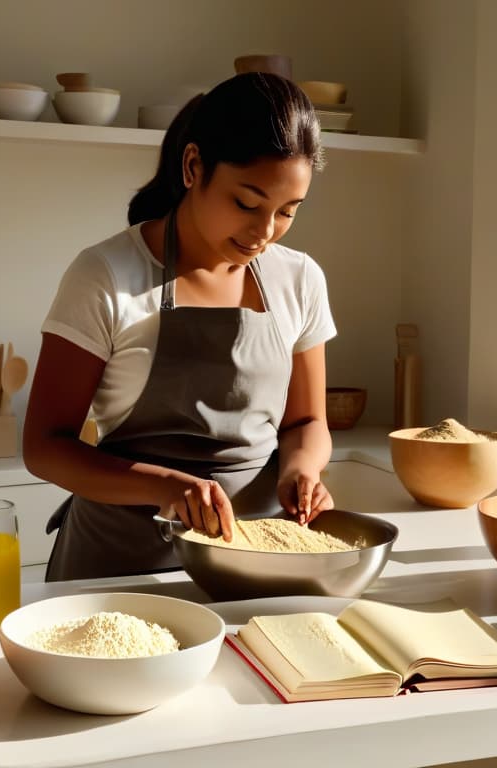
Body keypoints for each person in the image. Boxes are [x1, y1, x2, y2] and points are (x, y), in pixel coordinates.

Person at [23, 72, 337, 581]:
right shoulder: (106, 275)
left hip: (255, 563)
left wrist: (303, 468)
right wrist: (166, 485)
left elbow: (305, 423)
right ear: (194, 166)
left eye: (286, 212)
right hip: (120, 568)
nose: (264, 232)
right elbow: (44, 447)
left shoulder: (299, 278)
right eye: (247, 203)